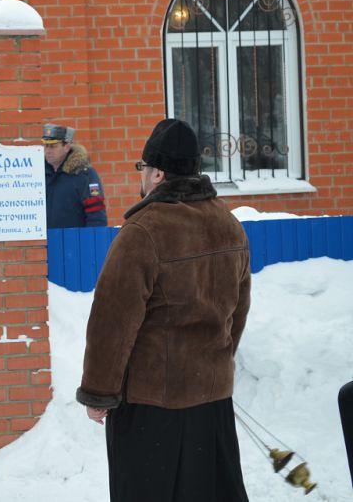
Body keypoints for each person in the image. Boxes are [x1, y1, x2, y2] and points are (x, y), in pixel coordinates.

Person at [76, 118, 251, 502]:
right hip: (212, 404)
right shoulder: (229, 225)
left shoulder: (143, 232)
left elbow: (112, 321)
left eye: (142, 168)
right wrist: (213, 364)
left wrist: (99, 392)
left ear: (156, 173)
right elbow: (236, 313)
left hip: (151, 409)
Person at [42, 123, 107, 228]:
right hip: (44, 242)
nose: (48, 151)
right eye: (46, 146)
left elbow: (96, 216)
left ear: (66, 147)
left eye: (53, 146)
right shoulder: (39, 174)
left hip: (75, 240)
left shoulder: (84, 174)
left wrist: (90, 241)